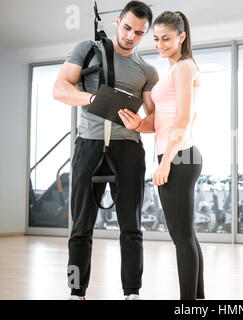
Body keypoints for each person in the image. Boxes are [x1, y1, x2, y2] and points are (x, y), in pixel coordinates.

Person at [52, 1, 158, 300]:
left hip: (128, 149)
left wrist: (140, 122)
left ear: (146, 34)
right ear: (118, 23)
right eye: (127, 28)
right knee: (80, 227)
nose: (130, 36)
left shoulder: (147, 70)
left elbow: (154, 119)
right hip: (89, 145)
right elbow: (60, 89)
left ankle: (132, 293)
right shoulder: (87, 49)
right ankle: (76, 291)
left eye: (139, 33)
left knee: (131, 227)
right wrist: (91, 100)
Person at [118, 10, 204, 300]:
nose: (160, 44)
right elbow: (159, 122)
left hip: (179, 156)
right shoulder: (172, 70)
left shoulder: (184, 67)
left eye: (166, 38)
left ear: (181, 37)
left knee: (181, 238)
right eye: (155, 39)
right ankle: (199, 300)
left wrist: (165, 162)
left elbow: (183, 120)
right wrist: (138, 124)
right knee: (186, 235)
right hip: (176, 154)